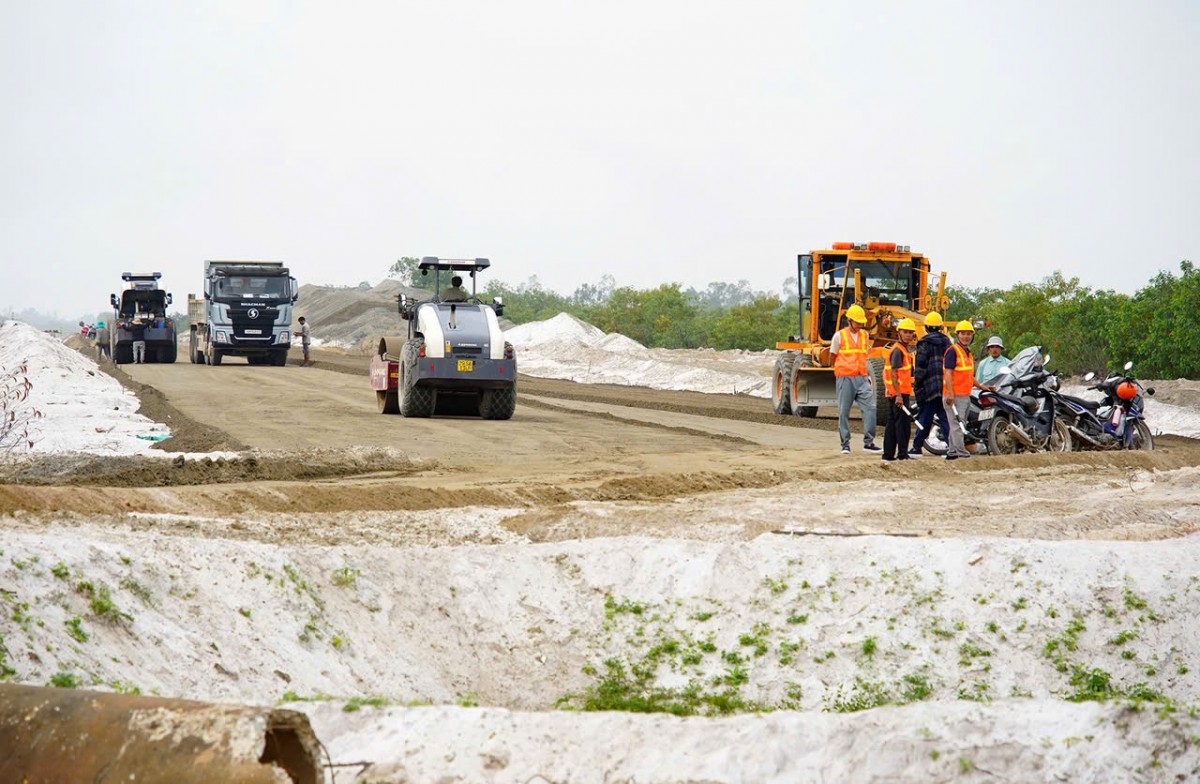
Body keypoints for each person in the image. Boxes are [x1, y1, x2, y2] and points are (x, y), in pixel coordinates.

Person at [829, 304, 880, 455]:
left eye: (861, 323)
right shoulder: (839, 336)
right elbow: (833, 355)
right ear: (849, 320)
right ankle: (845, 444)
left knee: (870, 408)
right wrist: (839, 370)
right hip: (845, 378)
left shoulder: (865, 335)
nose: (860, 325)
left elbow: (865, 355)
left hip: (862, 377)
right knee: (844, 411)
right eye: (857, 322)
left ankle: (869, 442)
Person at [942, 321, 995, 460]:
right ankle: (960, 451)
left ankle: (952, 451)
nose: (966, 336)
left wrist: (982, 387)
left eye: (969, 334)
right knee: (957, 425)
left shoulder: (967, 353)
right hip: (954, 396)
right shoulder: (953, 351)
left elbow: (968, 376)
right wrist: (950, 393)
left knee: (959, 424)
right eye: (963, 333)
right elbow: (948, 373)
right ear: (957, 335)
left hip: (964, 395)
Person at [910, 311, 951, 456]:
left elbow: (920, 366)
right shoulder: (947, 342)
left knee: (925, 417)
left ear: (926, 327)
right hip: (944, 386)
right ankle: (951, 448)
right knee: (945, 417)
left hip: (929, 387)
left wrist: (917, 384)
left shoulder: (924, 343)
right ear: (940, 326)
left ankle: (916, 447)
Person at [882, 318, 918, 461]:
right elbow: (893, 373)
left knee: (892, 424)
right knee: (902, 425)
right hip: (899, 394)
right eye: (905, 332)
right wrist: (898, 395)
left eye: (910, 333)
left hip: (897, 392)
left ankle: (888, 454)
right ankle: (902, 454)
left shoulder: (903, 350)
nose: (908, 335)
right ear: (899, 333)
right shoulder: (898, 351)